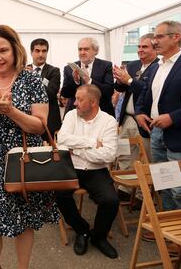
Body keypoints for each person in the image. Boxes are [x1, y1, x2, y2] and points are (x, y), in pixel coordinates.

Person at [0, 25, 59, 269]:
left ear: (15, 50)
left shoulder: (31, 81)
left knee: (24, 219)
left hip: (25, 161)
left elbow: (40, 127)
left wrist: (11, 111)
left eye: (3, 50)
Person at [135, 21, 181, 252]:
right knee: (165, 182)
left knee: (180, 188)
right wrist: (140, 113)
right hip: (156, 132)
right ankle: (167, 228)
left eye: (160, 36)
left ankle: (179, 233)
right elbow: (145, 92)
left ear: (176, 37)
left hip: (177, 134)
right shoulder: (156, 66)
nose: (155, 41)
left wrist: (173, 117)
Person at [56, 84, 119, 259]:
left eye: (79, 99)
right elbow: (62, 139)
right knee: (59, 195)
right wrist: (92, 142)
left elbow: (108, 155)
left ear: (93, 102)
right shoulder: (70, 115)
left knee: (111, 200)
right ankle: (82, 230)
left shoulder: (108, 121)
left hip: (96, 170)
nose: (74, 103)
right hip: (71, 168)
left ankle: (99, 237)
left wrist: (75, 150)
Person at [114, 33, 158, 172]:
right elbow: (120, 88)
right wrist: (120, 80)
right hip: (127, 119)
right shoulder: (133, 65)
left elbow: (147, 92)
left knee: (146, 157)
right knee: (124, 154)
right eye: (138, 46)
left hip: (144, 120)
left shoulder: (158, 67)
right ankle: (126, 189)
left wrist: (129, 80)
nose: (140, 49)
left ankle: (142, 192)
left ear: (155, 49)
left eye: (145, 47)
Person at [61, 37, 115, 117]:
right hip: (75, 114)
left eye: (86, 49)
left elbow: (109, 91)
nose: (82, 52)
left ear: (96, 51)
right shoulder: (69, 68)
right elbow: (65, 93)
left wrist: (89, 81)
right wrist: (76, 81)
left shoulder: (106, 66)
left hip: (101, 114)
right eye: (80, 49)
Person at [30, 38, 62, 141]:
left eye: (44, 51)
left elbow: (51, 93)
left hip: (49, 121)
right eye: (37, 51)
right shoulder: (23, 70)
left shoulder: (54, 71)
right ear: (31, 52)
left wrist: (33, 76)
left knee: (50, 154)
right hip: (28, 120)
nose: (41, 54)